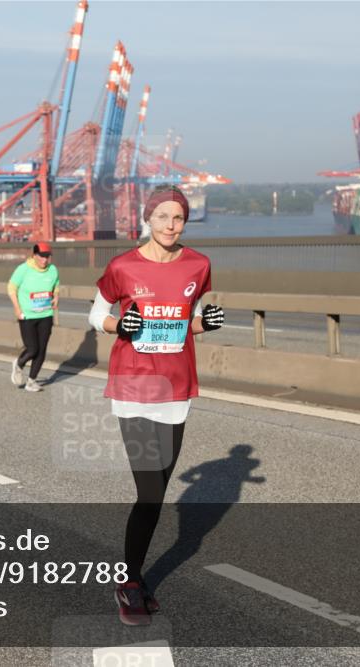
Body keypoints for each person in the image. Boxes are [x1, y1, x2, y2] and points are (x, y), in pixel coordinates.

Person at [87, 185, 224, 626]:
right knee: (149, 492)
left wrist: (208, 324)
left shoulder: (199, 265)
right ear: (148, 219)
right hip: (133, 388)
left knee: (159, 492)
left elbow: (189, 321)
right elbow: (96, 313)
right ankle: (128, 582)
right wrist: (117, 323)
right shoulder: (123, 265)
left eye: (178, 218)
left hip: (177, 390)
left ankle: (136, 575)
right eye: (162, 217)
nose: (170, 225)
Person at [8, 241, 59, 392]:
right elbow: (11, 288)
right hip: (27, 315)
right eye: (41, 256)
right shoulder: (23, 269)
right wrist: (17, 309)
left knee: (42, 350)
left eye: (47, 257)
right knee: (32, 349)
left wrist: (56, 296)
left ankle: (31, 381)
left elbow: (56, 284)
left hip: (46, 314)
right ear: (34, 255)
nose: (44, 260)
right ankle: (19, 363)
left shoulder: (52, 270)